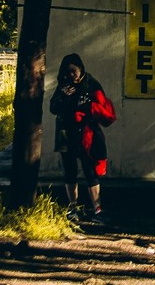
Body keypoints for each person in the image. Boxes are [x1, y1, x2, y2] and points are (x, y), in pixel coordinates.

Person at [49, 53, 117, 222]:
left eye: (74, 70)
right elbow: (53, 108)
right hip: (66, 133)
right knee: (70, 171)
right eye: (69, 72)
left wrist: (87, 105)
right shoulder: (63, 86)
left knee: (90, 171)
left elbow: (102, 107)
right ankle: (73, 208)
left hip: (87, 133)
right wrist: (63, 96)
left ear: (80, 68)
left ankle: (97, 209)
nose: (73, 75)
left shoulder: (91, 83)